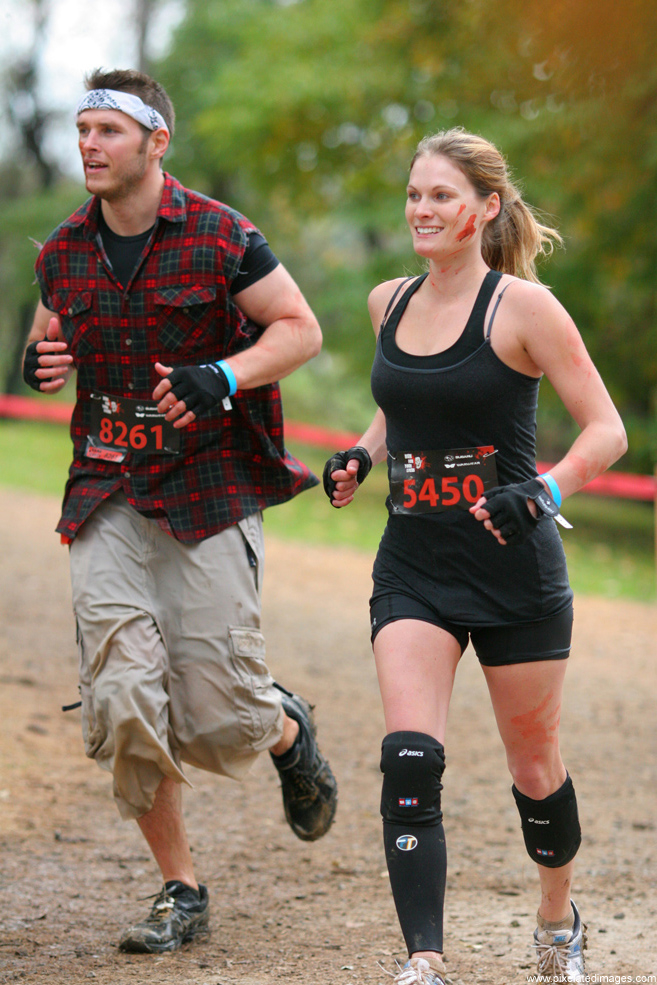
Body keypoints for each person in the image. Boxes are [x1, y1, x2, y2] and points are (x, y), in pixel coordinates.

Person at [22, 68, 337, 955]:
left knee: (217, 713)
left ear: (156, 143)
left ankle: (281, 724)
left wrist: (224, 374)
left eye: (108, 131)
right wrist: (41, 363)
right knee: (123, 696)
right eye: (81, 128)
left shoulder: (222, 237)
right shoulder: (63, 250)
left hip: (208, 487)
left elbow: (299, 330)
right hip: (107, 489)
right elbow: (50, 335)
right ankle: (180, 887)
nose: (89, 143)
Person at [323, 128, 627, 985]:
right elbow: (403, 406)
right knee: (410, 755)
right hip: (412, 565)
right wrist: (360, 453)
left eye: (441, 197)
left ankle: (555, 920)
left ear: (485, 208)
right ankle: (425, 957)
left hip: (512, 569)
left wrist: (546, 488)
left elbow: (607, 431)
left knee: (534, 768)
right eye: (414, 194)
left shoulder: (524, 308)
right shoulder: (389, 300)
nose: (421, 209)